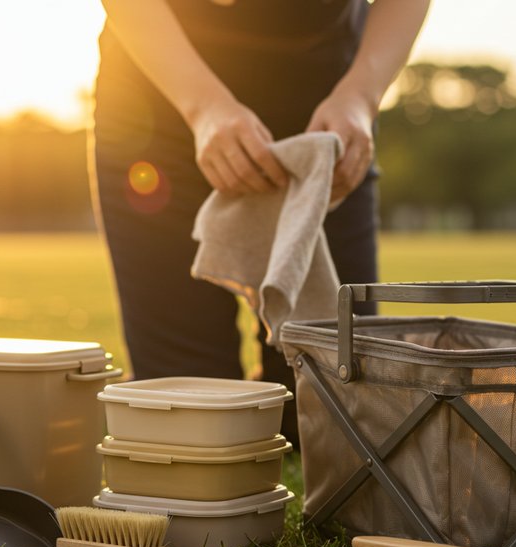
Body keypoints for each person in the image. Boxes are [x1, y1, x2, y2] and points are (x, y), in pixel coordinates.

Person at [91, 0, 430, 444]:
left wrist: (361, 97)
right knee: (190, 416)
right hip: (159, 109)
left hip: (326, 120)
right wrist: (203, 107)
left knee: (330, 414)